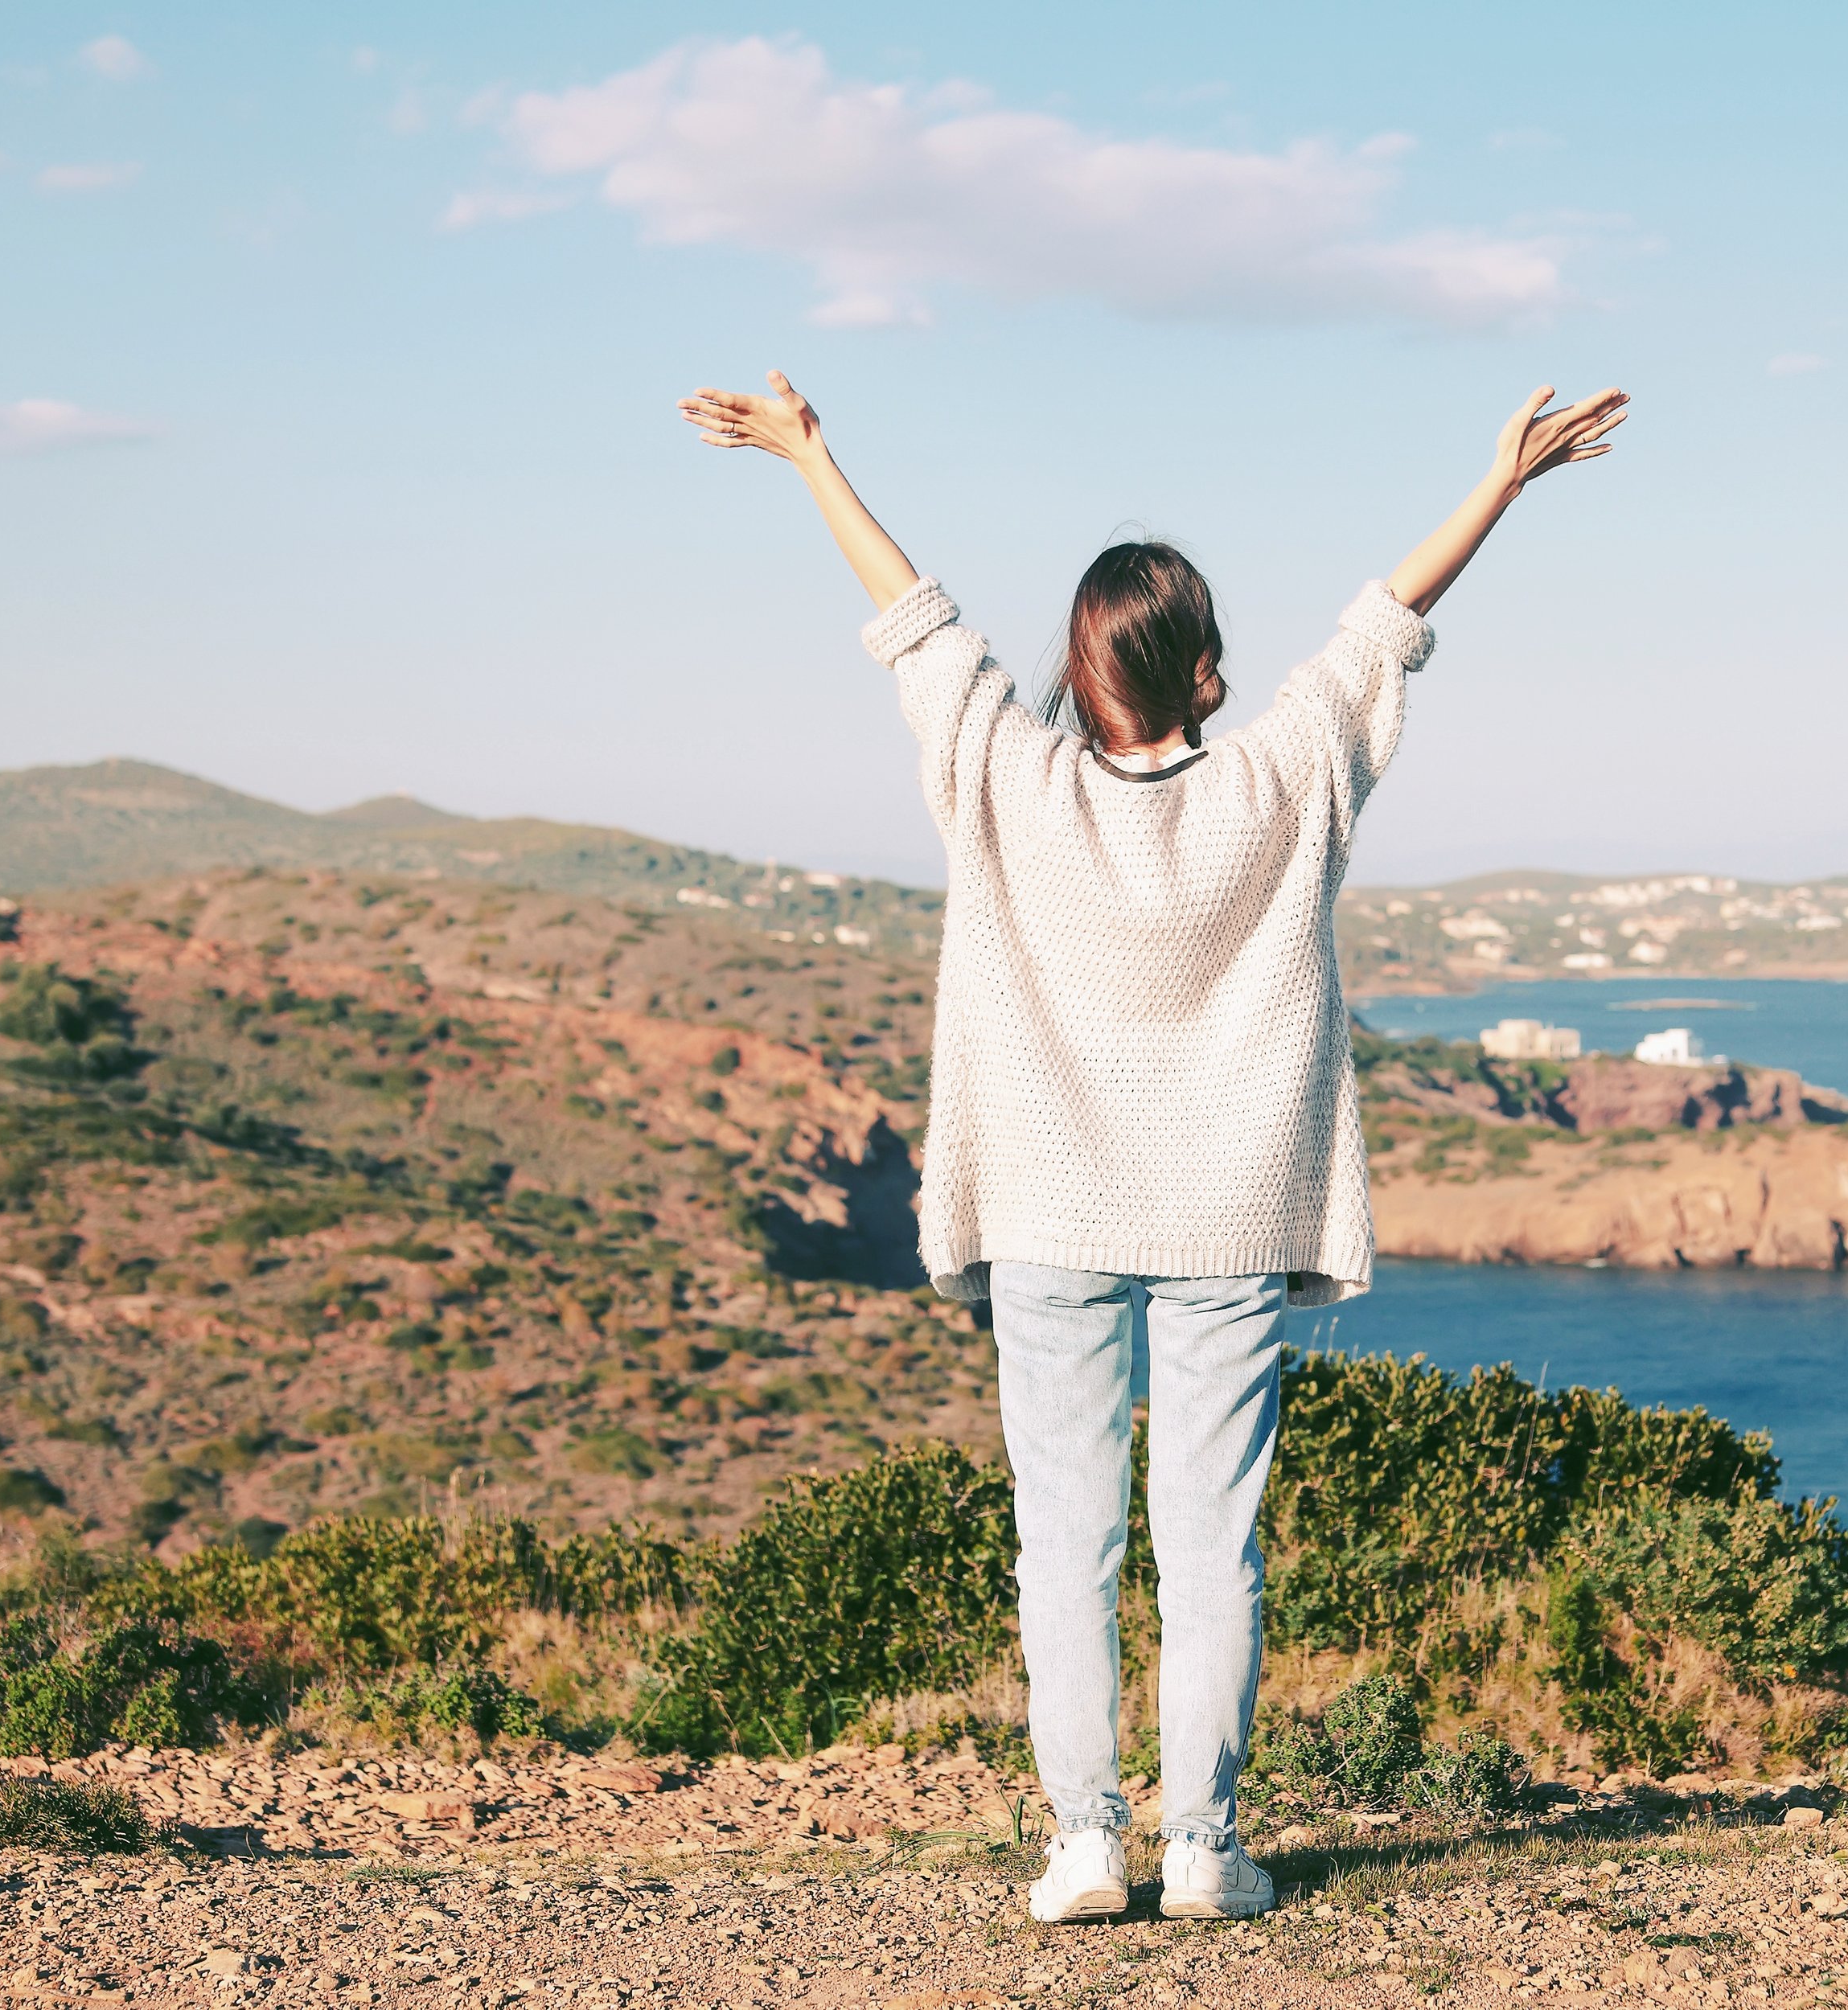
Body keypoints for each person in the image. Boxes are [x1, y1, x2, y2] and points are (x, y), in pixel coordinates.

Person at [677, 371, 1625, 1923]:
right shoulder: (1281, 773)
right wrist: (1505, 479)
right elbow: (1386, 621)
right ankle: (1203, 1848)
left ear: (1074, 667)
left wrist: (808, 457)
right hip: (1232, 1213)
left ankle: (1083, 1846)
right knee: (1212, 1547)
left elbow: (914, 619)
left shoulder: (1006, 770)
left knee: (1065, 1541)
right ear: (1207, 671)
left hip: (1050, 1207)